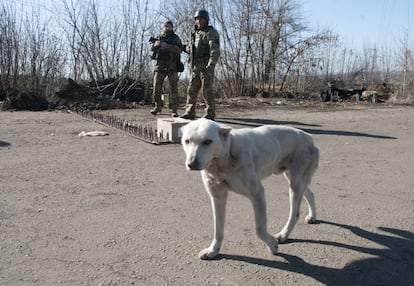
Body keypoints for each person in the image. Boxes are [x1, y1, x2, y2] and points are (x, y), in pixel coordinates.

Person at [180, 9, 220, 120]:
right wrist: (187, 48)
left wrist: (211, 65)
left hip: (206, 68)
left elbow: (215, 51)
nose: (198, 21)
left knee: (207, 91)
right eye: (197, 19)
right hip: (195, 67)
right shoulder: (195, 33)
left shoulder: (211, 33)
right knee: (191, 90)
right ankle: (190, 112)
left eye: (201, 19)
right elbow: (193, 47)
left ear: (206, 20)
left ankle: (210, 114)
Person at [150, 21, 183, 117]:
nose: (167, 28)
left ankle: (174, 110)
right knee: (156, 87)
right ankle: (157, 106)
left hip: (172, 66)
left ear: (172, 27)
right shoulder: (159, 37)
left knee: (173, 88)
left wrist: (168, 47)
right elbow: (152, 48)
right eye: (166, 26)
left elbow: (179, 50)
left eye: (169, 26)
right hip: (159, 66)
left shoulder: (175, 38)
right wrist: (156, 45)